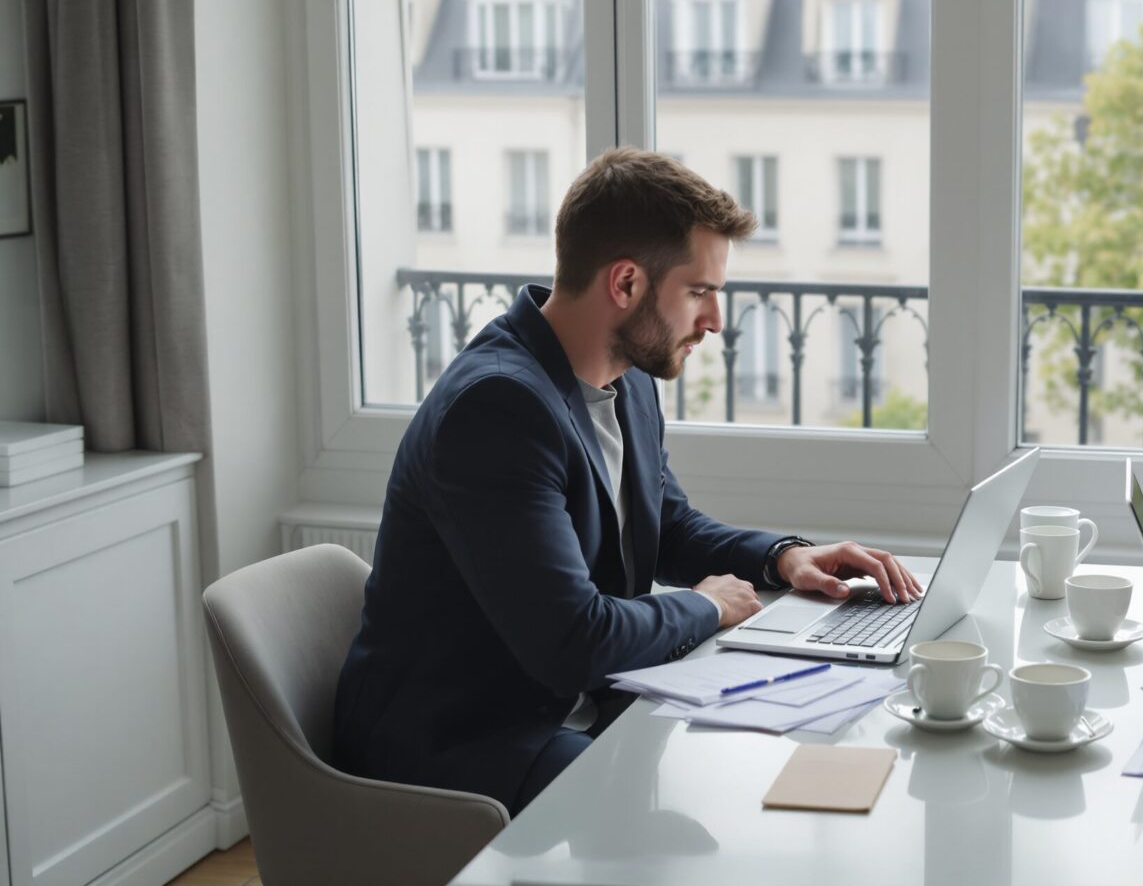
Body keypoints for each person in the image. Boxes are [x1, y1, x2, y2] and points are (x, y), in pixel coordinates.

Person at [333, 148, 923, 814]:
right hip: (461, 742)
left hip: (568, 708)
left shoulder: (626, 377)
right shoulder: (497, 409)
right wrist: (705, 606)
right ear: (625, 285)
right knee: (714, 813)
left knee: (770, 767)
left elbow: (662, 522)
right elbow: (572, 643)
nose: (715, 322)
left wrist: (783, 556)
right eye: (699, 292)